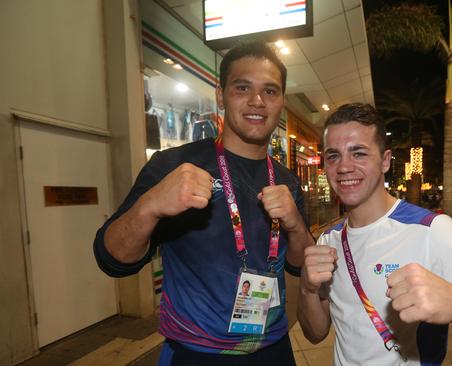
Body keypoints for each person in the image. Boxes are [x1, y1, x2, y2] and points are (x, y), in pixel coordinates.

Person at [94, 41, 314, 365]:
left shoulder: (287, 180)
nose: (257, 101)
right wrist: (151, 204)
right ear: (220, 93)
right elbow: (111, 258)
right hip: (195, 355)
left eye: (270, 91)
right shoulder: (173, 166)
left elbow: (299, 264)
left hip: (274, 350)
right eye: (243, 87)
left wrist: (295, 224)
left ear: (281, 100)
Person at [298, 103, 452, 366]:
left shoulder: (432, 229)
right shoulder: (328, 240)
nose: (344, 167)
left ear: (385, 160)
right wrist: (307, 289)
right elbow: (315, 334)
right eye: (333, 156)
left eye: (359, 153)